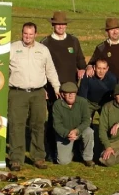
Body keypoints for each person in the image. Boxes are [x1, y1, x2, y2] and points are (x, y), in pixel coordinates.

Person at [8, 22, 60, 171]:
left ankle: (38, 157)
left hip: (38, 93)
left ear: (35, 35)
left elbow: (50, 69)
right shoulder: (13, 48)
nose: (28, 37)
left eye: (31, 34)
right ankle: (16, 158)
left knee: (38, 125)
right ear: (21, 33)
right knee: (16, 125)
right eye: (25, 34)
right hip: (17, 92)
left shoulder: (43, 50)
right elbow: (2, 68)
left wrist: (56, 86)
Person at [40, 11, 87, 162]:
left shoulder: (73, 41)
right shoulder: (45, 43)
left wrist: (82, 68)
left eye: (63, 24)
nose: (60, 27)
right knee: (54, 121)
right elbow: (40, 67)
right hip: (53, 89)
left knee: (75, 119)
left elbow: (80, 60)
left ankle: (78, 150)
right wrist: (43, 88)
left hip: (72, 89)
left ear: (66, 25)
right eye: (57, 24)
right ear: (53, 25)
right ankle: (51, 150)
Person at [52, 82, 95, 166]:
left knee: (89, 132)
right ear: (62, 94)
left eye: (73, 93)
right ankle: (73, 151)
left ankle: (88, 158)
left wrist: (77, 130)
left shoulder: (82, 102)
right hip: (65, 134)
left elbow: (86, 120)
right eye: (67, 93)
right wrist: (67, 133)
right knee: (63, 162)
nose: (71, 95)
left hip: (79, 130)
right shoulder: (57, 105)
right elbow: (57, 125)